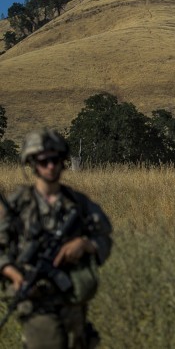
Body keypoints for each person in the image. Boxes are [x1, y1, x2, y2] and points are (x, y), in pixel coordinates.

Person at [0, 129, 112, 348]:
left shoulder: (78, 204)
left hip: (74, 306)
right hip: (36, 305)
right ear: (32, 163)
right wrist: (14, 275)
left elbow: (104, 238)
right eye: (44, 161)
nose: (51, 166)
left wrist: (85, 244)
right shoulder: (17, 206)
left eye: (56, 160)